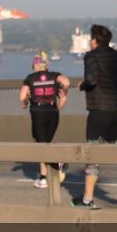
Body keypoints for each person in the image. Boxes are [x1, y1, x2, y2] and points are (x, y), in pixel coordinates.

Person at [75, 24, 117, 209]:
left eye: (91, 38)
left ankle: (88, 199)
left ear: (95, 40)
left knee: (92, 155)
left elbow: (91, 80)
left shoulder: (91, 56)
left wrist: (82, 85)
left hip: (98, 112)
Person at [20, 52, 71, 189]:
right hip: (53, 113)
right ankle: (43, 176)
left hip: (38, 113)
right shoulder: (54, 76)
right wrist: (64, 92)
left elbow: (22, 96)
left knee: (42, 145)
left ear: (36, 65)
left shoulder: (30, 78)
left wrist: (25, 102)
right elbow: (66, 82)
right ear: (46, 65)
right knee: (45, 144)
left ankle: (56, 164)